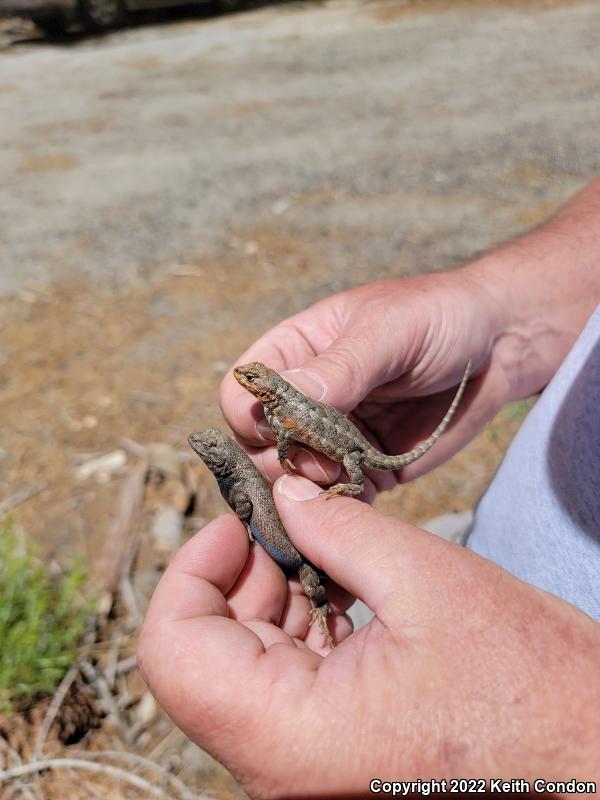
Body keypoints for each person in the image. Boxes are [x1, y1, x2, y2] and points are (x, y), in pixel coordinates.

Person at [138, 178, 600, 797]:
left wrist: (564, 748)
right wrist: (501, 313)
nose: (246, 379)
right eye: (248, 377)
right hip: (484, 546)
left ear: (266, 385)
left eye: (252, 376)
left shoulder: (288, 407)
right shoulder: (278, 411)